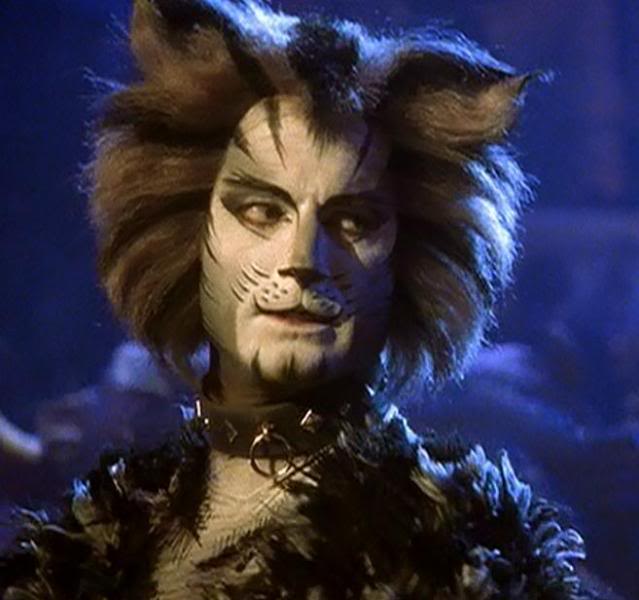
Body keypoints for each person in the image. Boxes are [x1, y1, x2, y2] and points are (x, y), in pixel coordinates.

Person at [0, 1, 600, 598]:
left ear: (408, 259)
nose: (303, 259)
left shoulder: (464, 553)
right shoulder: (94, 541)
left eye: (353, 222)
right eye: (262, 211)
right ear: (189, 232)